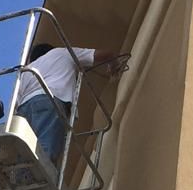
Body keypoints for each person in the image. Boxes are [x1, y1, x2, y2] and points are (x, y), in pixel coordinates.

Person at [16, 41, 127, 170]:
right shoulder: (62, 53)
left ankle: (24, 181)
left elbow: (16, 104)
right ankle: (39, 179)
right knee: (44, 151)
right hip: (49, 99)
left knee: (25, 152)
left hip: (24, 110)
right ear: (50, 50)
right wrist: (114, 66)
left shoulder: (25, 71)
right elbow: (107, 54)